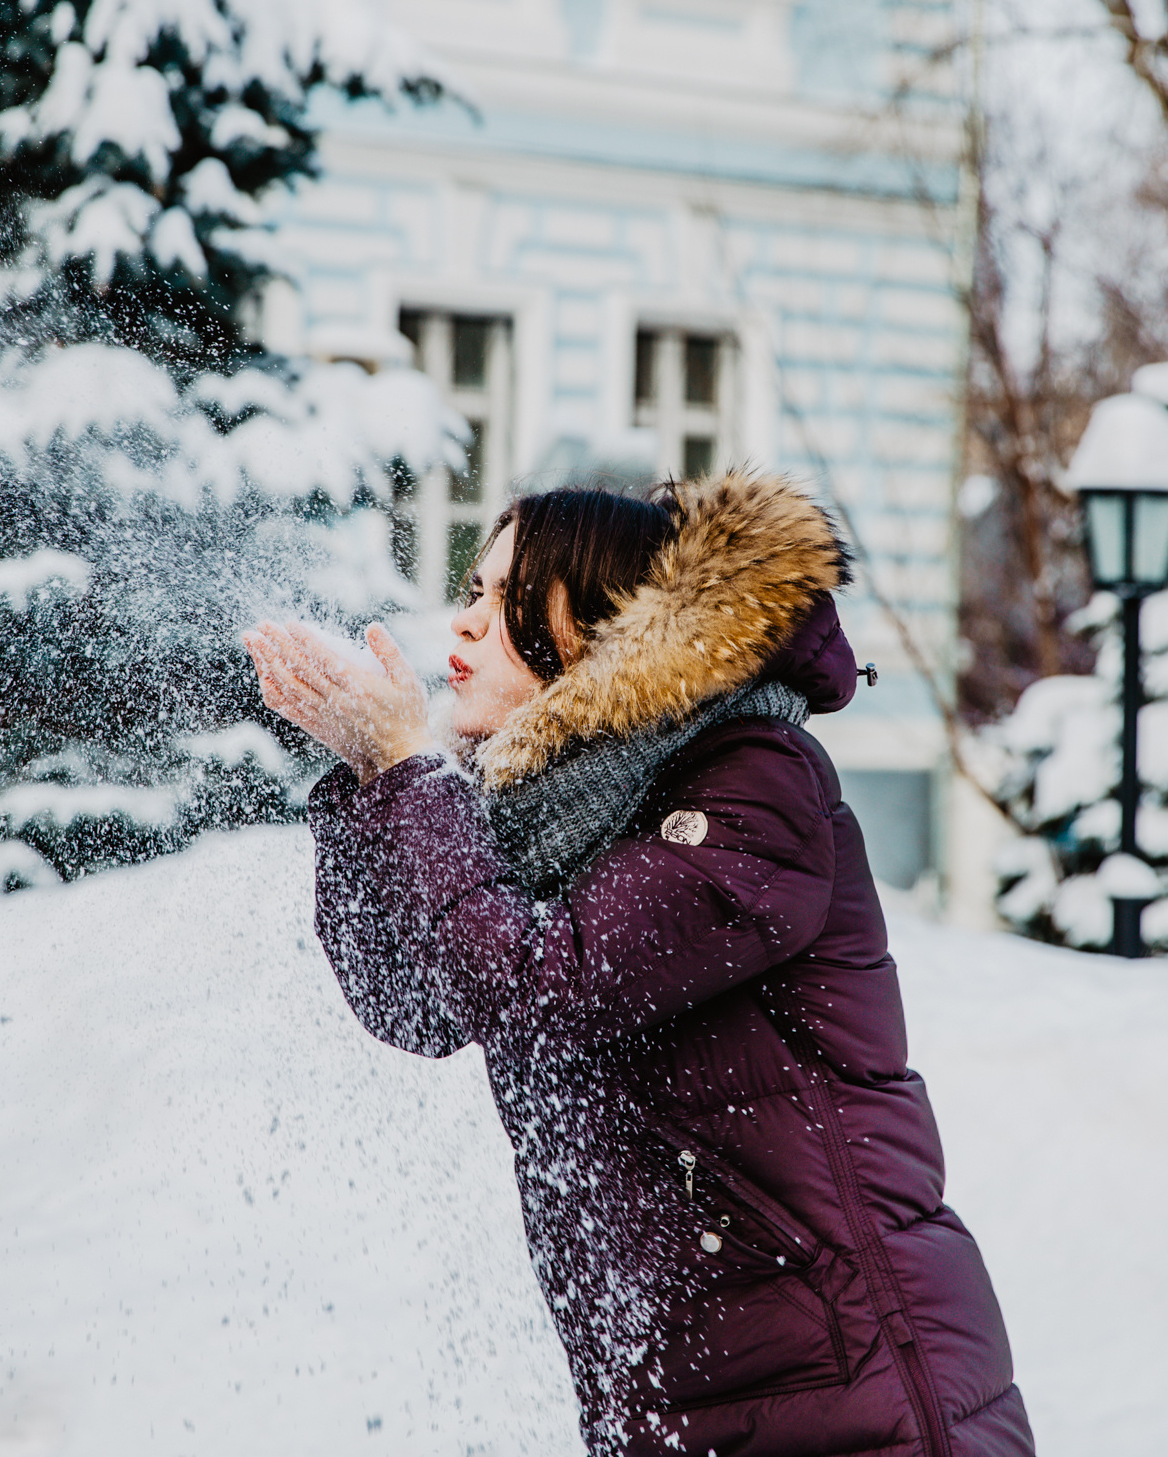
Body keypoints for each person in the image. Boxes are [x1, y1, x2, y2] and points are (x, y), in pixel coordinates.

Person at [245, 474, 1033, 1457]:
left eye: (503, 596)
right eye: (471, 589)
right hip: (676, 1397)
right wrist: (373, 785)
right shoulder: (535, 815)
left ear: (606, 623)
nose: (466, 619)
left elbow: (535, 984)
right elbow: (418, 1001)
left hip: (847, 1385)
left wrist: (410, 772)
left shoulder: (750, 782)